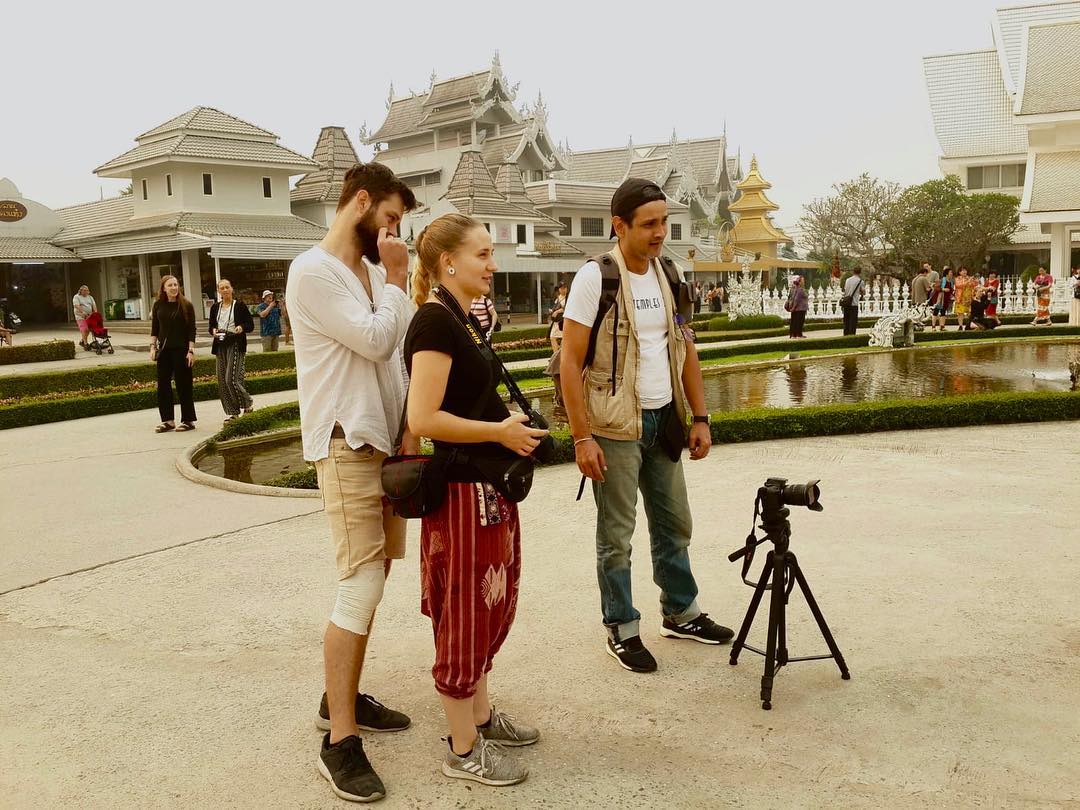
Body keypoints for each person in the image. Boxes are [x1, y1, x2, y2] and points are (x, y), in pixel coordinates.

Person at [560, 177, 733, 675]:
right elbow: (570, 362)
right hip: (614, 426)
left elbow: (686, 349)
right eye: (650, 223)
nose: (660, 232)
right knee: (617, 532)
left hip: (664, 419)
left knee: (674, 523)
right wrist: (581, 436)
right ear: (621, 225)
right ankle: (621, 625)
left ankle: (680, 611)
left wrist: (699, 417)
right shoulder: (597, 278)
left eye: (664, 222)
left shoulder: (670, 273)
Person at [285, 162, 419, 803]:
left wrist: (409, 431)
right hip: (345, 444)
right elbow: (371, 340)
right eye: (390, 217)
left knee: (377, 577)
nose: (394, 231)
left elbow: (393, 357)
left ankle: (340, 698)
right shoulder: (312, 271)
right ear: (360, 202)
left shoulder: (368, 273)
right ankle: (339, 740)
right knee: (360, 582)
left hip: (383, 445)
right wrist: (398, 277)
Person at [405, 213, 545, 787]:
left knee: (488, 604)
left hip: (486, 490)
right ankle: (462, 747)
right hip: (461, 491)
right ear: (448, 263)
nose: (493, 263)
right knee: (464, 612)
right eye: (483, 254)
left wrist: (507, 427)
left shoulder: (462, 320)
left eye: (492, 253)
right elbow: (423, 417)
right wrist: (499, 432)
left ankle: (481, 719)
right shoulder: (435, 324)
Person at [149, 275, 197, 433]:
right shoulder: (158, 305)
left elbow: (191, 330)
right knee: (163, 385)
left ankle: (188, 420)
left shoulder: (186, 305)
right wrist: (152, 347)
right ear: (163, 288)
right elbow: (155, 328)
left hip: (181, 350)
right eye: (170, 285)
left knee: (184, 385)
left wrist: (191, 350)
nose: (174, 288)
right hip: (164, 350)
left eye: (176, 285)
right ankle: (168, 420)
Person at [209, 279, 255, 421]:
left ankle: (247, 404)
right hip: (220, 344)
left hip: (235, 342)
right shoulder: (215, 307)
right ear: (219, 291)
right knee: (222, 380)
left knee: (232, 379)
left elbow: (250, 324)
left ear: (232, 289)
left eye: (227, 287)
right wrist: (214, 331)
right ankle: (232, 412)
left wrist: (241, 327)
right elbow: (211, 326)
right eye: (222, 288)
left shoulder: (239, 306)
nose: (225, 290)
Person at [72, 285, 97, 350]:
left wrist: (95, 312)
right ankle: (85, 344)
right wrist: (82, 312)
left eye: (87, 290)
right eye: (85, 290)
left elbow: (94, 305)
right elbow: (76, 305)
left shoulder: (90, 297)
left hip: (89, 315)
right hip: (80, 316)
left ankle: (82, 341)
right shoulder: (76, 297)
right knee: (84, 329)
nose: (87, 292)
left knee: (88, 329)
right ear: (81, 291)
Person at [929, 267, 954, 332]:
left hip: (946, 299)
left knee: (943, 312)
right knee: (936, 312)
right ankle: (933, 326)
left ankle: (942, 326)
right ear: (946, 274)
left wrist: (952, 295)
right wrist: (943, 289)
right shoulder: (941, 280)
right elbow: (935, 288)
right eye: (950, 272)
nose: (951, 273)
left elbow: (951, 290)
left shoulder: (951, 281)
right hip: (939, 299)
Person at [841, 267, 863, 335]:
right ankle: (852, 336)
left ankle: (845, 335)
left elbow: (845, 290)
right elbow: (863, 291)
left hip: (846, 303)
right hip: (854, 304)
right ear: (860, 272)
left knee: (846, 321)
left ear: (853, 272)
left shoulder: (847, 280)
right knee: (853, 322)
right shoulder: (860, 281)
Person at [548, 280, 568, 352]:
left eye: (565, 288)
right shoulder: (557, 297)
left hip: (564, 321)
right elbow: (555, 307)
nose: (564, 289)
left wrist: (557, 311)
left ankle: (560, 355)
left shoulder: (568, 298)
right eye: (562, 288)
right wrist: (552, 311)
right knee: (552, 337)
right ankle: (555, 355)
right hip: (556, 321)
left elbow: (567, 308)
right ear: (559, 289)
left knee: (564, 338)